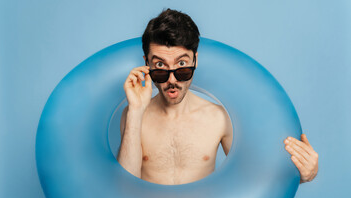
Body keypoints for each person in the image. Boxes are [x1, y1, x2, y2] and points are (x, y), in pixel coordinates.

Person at [117, 8, 318, 185]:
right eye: (160, 66)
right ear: (147, 64)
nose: (172, 80)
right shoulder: (134, 114)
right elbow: (125, 188)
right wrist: (135, 110)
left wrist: (301, 175)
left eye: (181, 66)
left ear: (195, 60)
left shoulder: (218, 118)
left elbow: (253, 181)